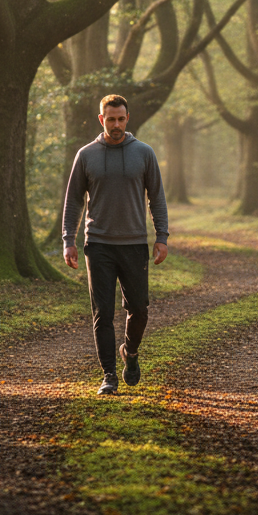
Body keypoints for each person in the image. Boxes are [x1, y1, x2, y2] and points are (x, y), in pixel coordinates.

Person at [62, 94, 168, 395]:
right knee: (102, 313)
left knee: (139, 309)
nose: (117, 124)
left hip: (134, 243)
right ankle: (109, 375)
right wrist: (68, 240)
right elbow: (73, 201)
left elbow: (157, 197)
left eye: (121, 119)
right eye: (111, 119)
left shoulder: (144, 153)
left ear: (127, 118)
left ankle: (130, 352)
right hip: (98, 244)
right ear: (102, 120)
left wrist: (161, 237)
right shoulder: (86, 155)